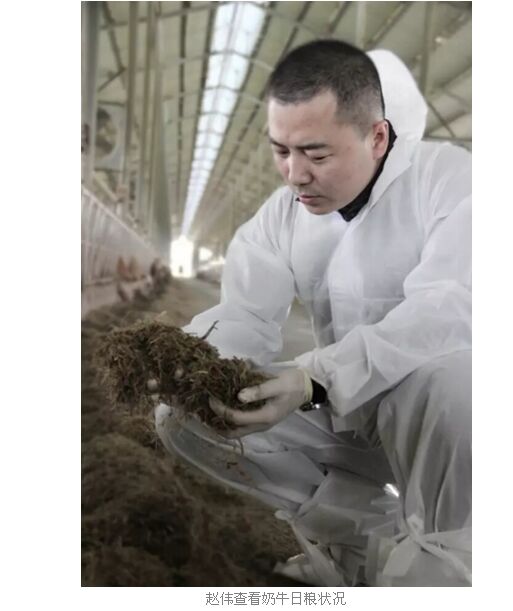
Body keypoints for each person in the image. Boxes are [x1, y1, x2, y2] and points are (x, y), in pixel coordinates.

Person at [154, 40, 471, 587]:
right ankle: (360, 548)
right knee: (185, 416)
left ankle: (454, 565)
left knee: (445, 383)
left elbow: (450, 305)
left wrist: (318, 378)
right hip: (349, 416)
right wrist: (191, 357)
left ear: (378, 137)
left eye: (317, 156)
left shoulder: (449, 181)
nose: (294, 175)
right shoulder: (284, 214)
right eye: (282, 151)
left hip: (444, 431)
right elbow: (245, 314)